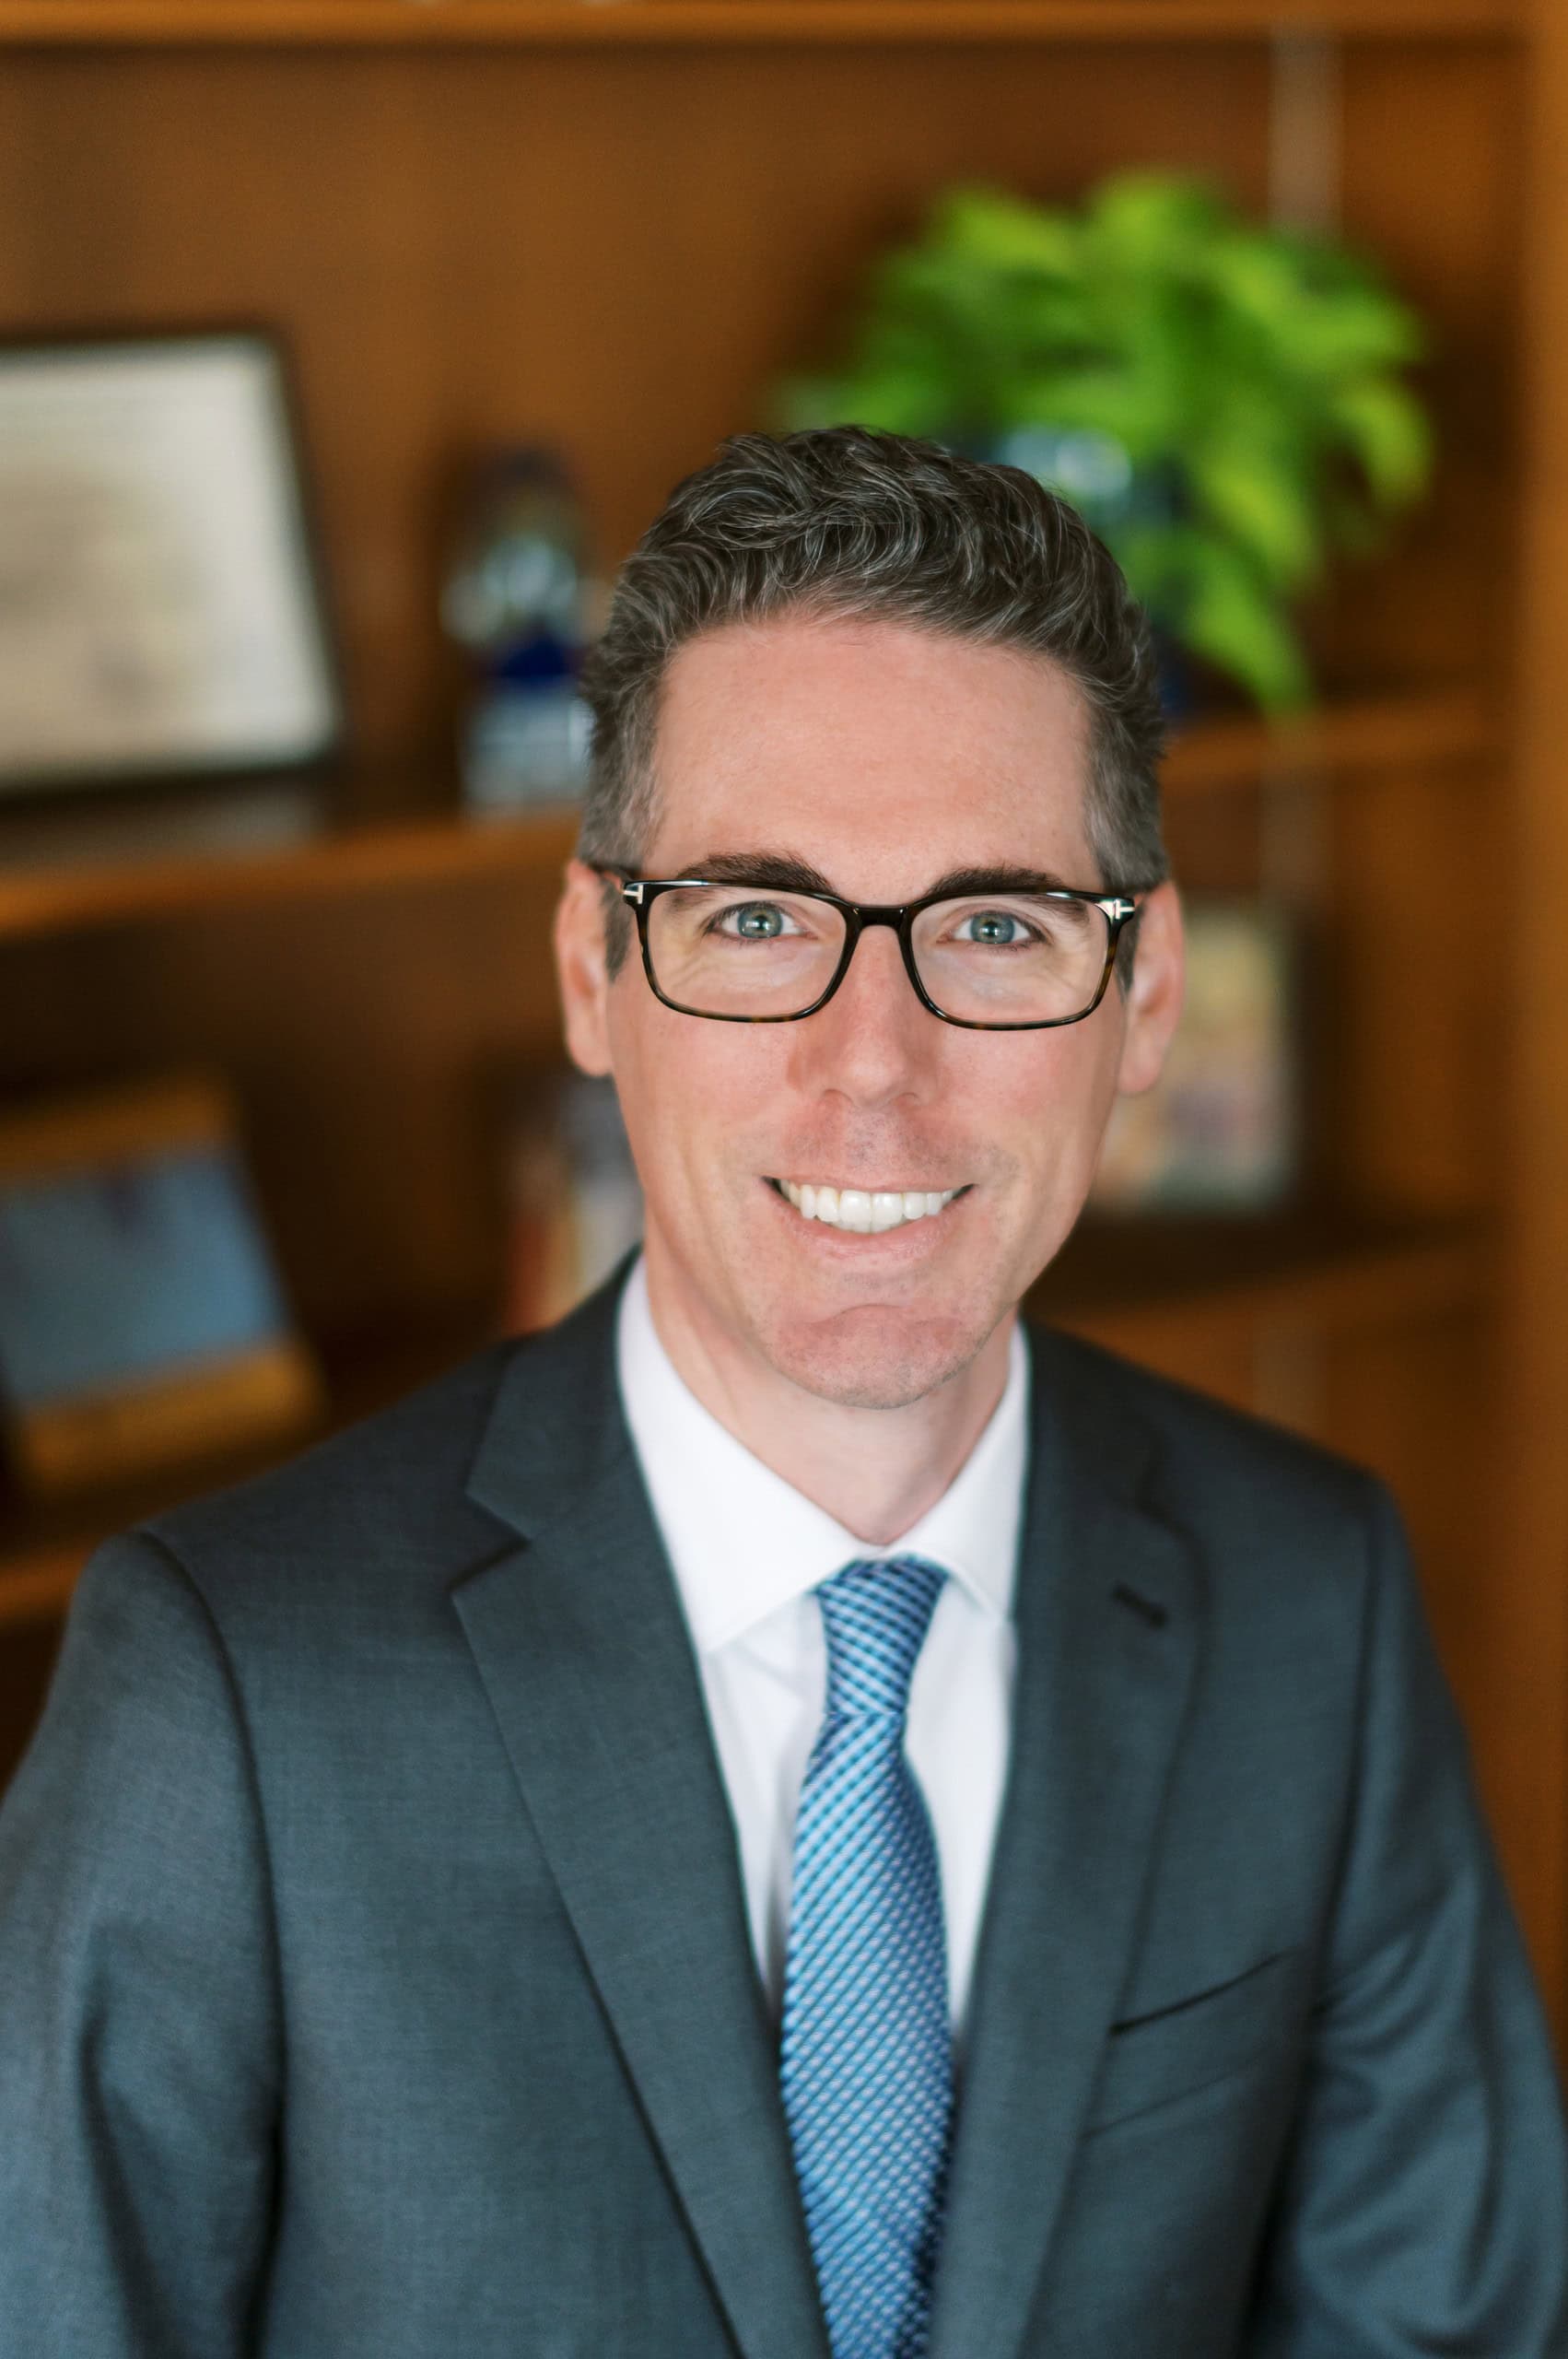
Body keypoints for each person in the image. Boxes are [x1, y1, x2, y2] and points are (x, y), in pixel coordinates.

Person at [0, 428, 1563, 2359]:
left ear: (1142, 991)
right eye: (756, 918)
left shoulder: (1306, 1592)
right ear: (595, 968)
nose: (872, 1067)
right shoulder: (229, 1688)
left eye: (992, 925)